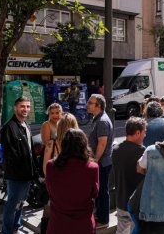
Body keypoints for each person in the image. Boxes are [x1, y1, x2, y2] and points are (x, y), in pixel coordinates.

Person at [45, 129, 99, 234]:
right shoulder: (92, 168)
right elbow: (95, 193)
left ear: (63, 145)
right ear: (84, 145)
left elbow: (49, 189)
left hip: (58, 226)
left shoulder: (51, 166)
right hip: (83, 226)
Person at [0, 97, 38, 234]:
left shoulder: (25, 125)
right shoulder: (8, 127)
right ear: (15, 107)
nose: (25, 109)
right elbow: (11, 154)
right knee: (12, 205)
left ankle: (16, 226)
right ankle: (7, 231)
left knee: (21, 203)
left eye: (28, 106)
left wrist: (34, 170)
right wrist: (23, 172)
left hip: (27, 174)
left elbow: (30, 150)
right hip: (17, 176)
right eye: (22, 106)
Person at [112, 117, 147, 234]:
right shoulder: (142, 151)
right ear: (137, 132)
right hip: (136, 203)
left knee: (121, 230)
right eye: (144, 132)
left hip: (121, 200)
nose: (145, 135)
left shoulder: (116, 150)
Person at [86, 94, 114, 228]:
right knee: (100, 191)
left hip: (102, 163)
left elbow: (102, 143)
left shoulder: (102, 121)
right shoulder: (97, 118)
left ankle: (103, 220)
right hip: (100, 162)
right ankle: (100, 216)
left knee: (102, 191)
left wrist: (95, 160)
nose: (87, 104)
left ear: (98, 106)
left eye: (90, 103)